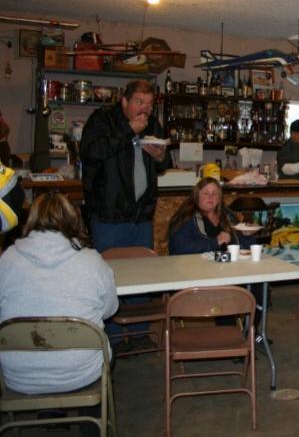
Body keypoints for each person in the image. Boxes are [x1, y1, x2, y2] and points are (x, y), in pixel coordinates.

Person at [0, 192, 118, 396]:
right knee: (102, 342)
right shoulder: (92, 262)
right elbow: (110, 310)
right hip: (81, 371)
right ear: (74, 219)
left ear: (31, 218)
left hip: (19, 374)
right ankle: (92, 417)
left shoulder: (7, 260)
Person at [80, 79, 170, 252]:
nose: (145, 109)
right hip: (109, 216)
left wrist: (161, 157)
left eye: (149, 104)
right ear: (124, 101)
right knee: (110, 271)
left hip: (142, 216)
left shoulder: (152, 124)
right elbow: (91, 153)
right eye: (139, 102)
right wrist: (129, 130)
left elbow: (163, 165)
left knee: (142, 271)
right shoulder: (102, 119)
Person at [168, 177, 257, 255]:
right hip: (195, 270)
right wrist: (216, 242)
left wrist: (247, 236)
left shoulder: (228, 215)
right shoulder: (186, 216)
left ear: (219, 198)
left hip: (228, 268)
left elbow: (245, 249)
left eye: (215, 193)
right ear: (196, 196)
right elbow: (179, 247)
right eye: (205, 193)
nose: (210, 197)